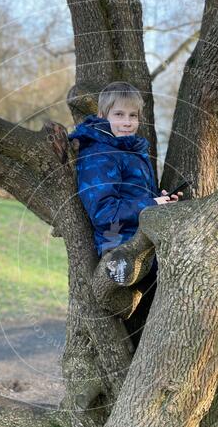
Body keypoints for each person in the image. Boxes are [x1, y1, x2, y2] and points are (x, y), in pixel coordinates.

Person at [68, 81, 182, 346]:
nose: (127, 122)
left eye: (133, 116)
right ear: (103, 116)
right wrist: (149, 203)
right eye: (119, 115)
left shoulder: (131, 151)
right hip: (119, 246)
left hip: (145, 246)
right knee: (142, 330)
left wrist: (161, 200)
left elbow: (137, 197)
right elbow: (104, 212)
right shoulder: (99, 154)